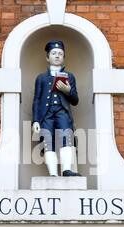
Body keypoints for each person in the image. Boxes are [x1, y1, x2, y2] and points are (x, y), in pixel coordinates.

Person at [32, 40, 81, 177]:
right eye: (54, 53)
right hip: (45, 115)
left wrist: (68, 91)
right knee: (48, 142)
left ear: (64, 57)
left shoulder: (70, 76)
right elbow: (36, 100)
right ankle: (53, 174)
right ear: (47, 57)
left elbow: (75, 100)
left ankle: (66, 170)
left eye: (60, 53)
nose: (57, 56)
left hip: (62, 113)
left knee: (66, 140)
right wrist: (35, 120)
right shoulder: (41, 78)